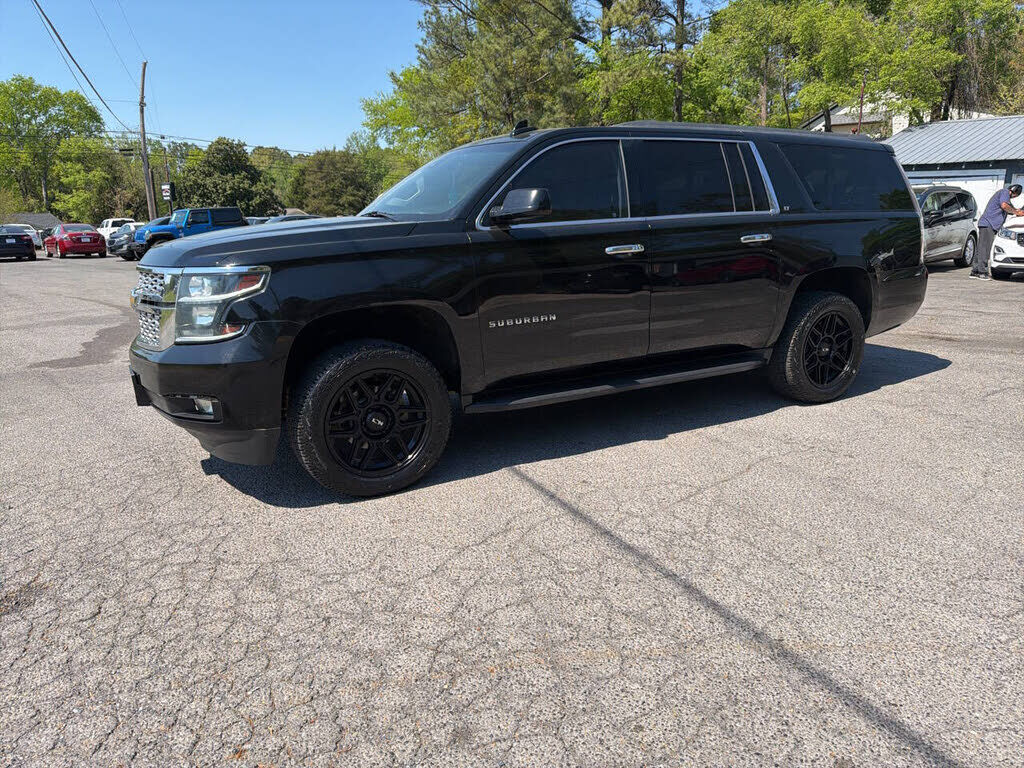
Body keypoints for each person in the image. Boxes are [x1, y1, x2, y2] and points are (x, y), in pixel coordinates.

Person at [973, 183, 1024, 280]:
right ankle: (982, 272)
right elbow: (1005, 206)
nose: (1014, 197)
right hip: (989, 224)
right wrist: (1016, 212)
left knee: (981, 248)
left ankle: (975, 271)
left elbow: (1010, 208)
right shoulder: (1004, 193)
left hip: (987, 224)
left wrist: (1017, 211)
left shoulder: (1004, 196)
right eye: (1016, 195)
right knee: (985, 249)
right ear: (1015, 192)